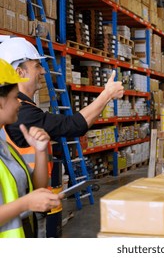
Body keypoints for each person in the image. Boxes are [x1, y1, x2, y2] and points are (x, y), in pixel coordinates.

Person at [0, 36, 124, 237]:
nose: (42, 71)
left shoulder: (8, 144)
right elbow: (73, 125)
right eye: (36, 66)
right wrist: (106, 95)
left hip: (29, 220)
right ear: (19, 72)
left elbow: (31, 185)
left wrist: (40, 153)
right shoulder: (24, 115)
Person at [0, 58, 62, 238]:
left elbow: (37, 188)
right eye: (14, 98)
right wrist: (25, 204)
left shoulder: (4, 145)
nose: (20, 103)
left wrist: (40, 150)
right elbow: (29, 199)